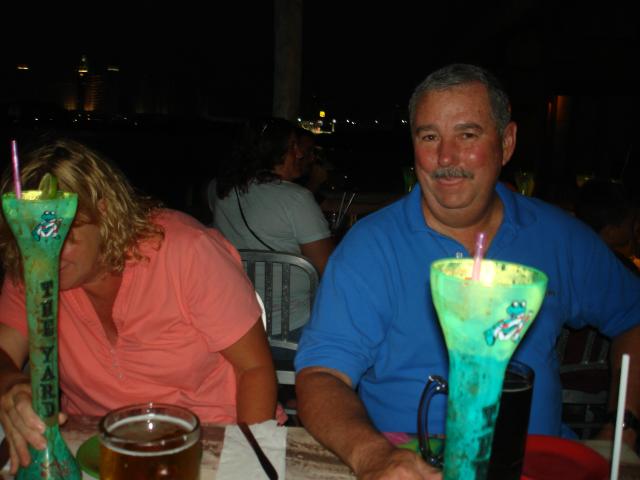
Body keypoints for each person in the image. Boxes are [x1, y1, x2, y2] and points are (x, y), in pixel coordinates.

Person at [295, 63, 640, 479]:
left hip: (538, 461)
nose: (445, 157)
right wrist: (372, 455)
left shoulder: (560, 237)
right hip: (407, 463)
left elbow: (634, 317)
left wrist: (622, 430)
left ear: (506, 143)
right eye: (429, 137)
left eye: (467, 135)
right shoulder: (371, 246)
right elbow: (320, 375)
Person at [0, 138, 278, 473]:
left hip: (211, 442)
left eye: (56, 229)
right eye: (27, 233)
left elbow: (254, 369)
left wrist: (247, 462)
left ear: (103, 211)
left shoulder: (187, 251)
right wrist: (10, 385)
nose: (43, 248)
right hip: (91, 445)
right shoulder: (32, 263)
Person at [208, 117, 334, 338]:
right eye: (293, 146)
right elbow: (329, 269)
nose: (300, 154)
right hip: (293, 324)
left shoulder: (217, 189)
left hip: (239, 322)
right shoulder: (296, 199)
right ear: (272, 151)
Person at [574, 178, 639, 275]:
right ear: (610, 232)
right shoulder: (622, 270)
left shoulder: (575, 254)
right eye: (632, 222)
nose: (637, 225)